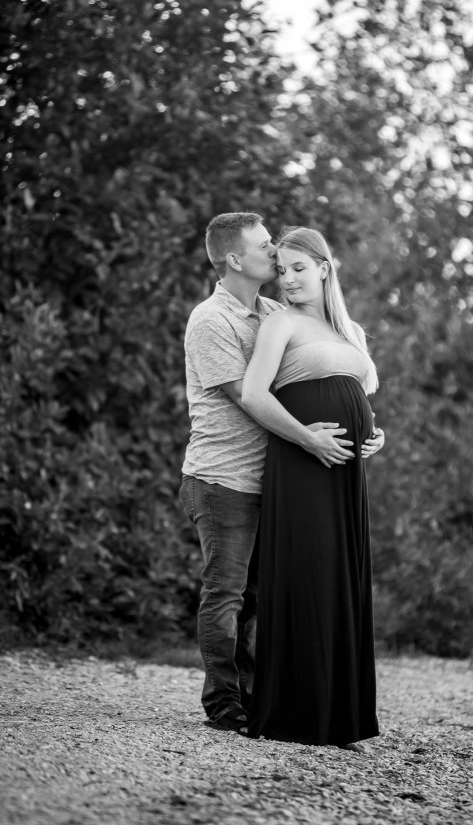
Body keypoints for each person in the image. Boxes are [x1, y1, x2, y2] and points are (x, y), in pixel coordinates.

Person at [180, 213, 382, 736]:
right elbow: (248, 396)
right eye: (266, 246)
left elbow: (318, 371)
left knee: (260, 596)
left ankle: (260, 695)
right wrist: (310, 437)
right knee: (227, 593)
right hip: (225, 475)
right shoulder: (211, 320)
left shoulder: (274, 309)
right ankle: (224, 702)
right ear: (234, 259)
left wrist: (362, 426)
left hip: (276, 474)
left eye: (288, 257)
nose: (276, 255)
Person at [241, 226, 381, 752]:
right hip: (301, 462)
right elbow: (254, 395)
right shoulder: (281, 322)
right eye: (282, 270)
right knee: (307, 572)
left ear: (324, 268)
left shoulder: (353, 332)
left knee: (341, 578)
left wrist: (375, 434)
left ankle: (339, 716)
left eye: (299, 268)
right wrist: (308, 439)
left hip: (345, 474)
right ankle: (295, 713)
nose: (288, 279)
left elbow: (358, 397)